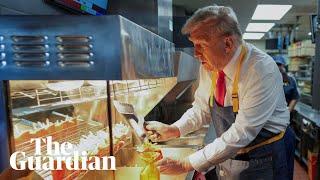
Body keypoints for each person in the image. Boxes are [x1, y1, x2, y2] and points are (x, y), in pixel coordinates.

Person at [145, 5, 295, 180]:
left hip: (265, 157)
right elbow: (201, 109)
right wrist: (174, 129)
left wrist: (186, 163)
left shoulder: (260, 70)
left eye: (201, 45)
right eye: (194, 45)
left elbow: (242, 132)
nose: (195, 53)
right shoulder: (211, 66)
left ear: (228, 43)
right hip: (231, 152)